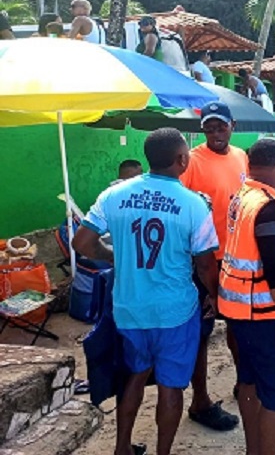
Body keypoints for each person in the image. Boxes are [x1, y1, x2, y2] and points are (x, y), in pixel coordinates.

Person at [72, 127, 220, 455]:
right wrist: (214, 295)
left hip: (129, 309)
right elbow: (206, 264)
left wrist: (115, 255)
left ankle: (122, 448)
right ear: (182, 159)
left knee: (134, 377)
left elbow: (81, 243)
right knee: (171, 387)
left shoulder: (115, 195)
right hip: (175, 313)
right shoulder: (194, 205)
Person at [219, 139, 275, 455]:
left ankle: (255, 448)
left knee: (249, 382)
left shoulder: (242, 197)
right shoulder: (269, 209)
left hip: (240, 312)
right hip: (267, 316)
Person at [178, 101, 243, 432]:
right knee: (201, 333)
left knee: (238, 327)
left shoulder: (241, 157)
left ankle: (242, 383)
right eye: (210, 128)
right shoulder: (192, 162)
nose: (216, 133)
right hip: (203, 262)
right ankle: (200, 401)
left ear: (233, 126)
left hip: (238, 260)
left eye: (221, 126)